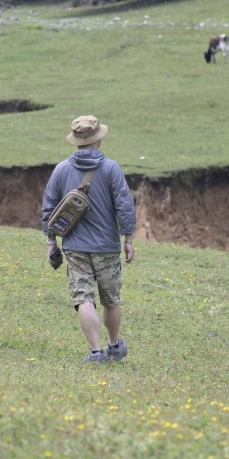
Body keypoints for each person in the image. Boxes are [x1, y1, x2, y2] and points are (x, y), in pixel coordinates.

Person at [42, 115, 136, 363]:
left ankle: (95, 352)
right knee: (111, 300)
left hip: (74, 246)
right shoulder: (111, 168)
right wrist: (128, 238)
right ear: (98, 139)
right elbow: (124, 205)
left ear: (76, 141)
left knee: (83, 298)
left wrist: (51, 241)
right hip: (106, 246)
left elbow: (49, 208)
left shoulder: (61, 169)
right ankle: (114, 346)